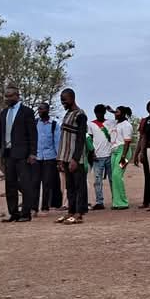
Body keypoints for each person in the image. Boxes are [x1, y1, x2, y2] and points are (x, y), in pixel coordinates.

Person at [0, 85, 38, 223]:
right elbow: (0, 135)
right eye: (6, 96)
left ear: (17, 96)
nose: (7, 98)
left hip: (23, 154)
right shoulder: (4, 113)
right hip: (8, 154)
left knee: (25, 184)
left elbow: (32, 134)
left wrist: (33, 153)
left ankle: (26, 213)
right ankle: (14, 213)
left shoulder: (27, 112)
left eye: (10, 95)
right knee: (10, 185)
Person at [56, 88, 89, 224]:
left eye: (65, 99)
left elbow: (81, 139)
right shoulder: (68, 114)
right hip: (65, 157)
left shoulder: (80, 115)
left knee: (79, 186)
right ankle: (70, 211)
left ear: (72, 98)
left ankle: (79, 214)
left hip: (76, 158)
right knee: (69, 186)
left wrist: (75, 159)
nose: (63, 102)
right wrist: (60, 159)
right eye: (61, 100)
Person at [34, 102, 63, 214]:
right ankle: (34, 207)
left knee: (47, 183)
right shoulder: (35, 123)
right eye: (39, 109)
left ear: (47, 110)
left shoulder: (54, 125)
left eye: (42, 109)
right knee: (35, 182)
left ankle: (45, 207)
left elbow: (57, 143)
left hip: (50, 158)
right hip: (37, 157)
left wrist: (59, 159)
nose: (40, 111)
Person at [88, 104, 113, 211]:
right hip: (97, 156)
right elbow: (89, 139)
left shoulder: (110, 123)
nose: (99, 114)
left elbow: (122, 118)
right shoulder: (91, 124)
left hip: (110, 155)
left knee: (113, 179)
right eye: (97, 112)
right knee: (97, 181)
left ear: (104, 113)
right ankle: (99, 202)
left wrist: (112, 110)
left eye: (101, 112)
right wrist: (92, 153)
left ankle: (116, 200)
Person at [108, 106, 134, 210]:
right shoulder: (116, 123)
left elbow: (127, 142)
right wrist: (111, 110)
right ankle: (116, 202)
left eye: (117, 112)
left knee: (117, 175)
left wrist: (123, 156)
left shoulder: (127, 125)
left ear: (123, 114)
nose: (115, 114)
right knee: (113, 176)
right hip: (114, 151)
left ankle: (123, 202)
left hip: (124, 151)